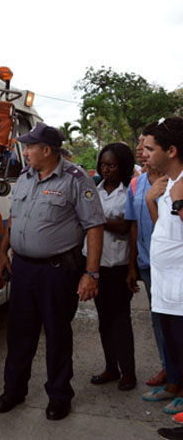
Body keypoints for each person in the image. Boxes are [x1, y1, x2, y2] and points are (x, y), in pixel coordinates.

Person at [0, 123, 105, 421]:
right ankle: (14, 390)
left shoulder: (76, 180)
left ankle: (59, 395)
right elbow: (15, 217)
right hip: (23, 269)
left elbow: (94, 226)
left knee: (56, 334)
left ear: (46, 150)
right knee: (19, 334)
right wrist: (3, 251)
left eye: (30, 147)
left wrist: (91, 274)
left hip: (57, 272)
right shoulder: (25, 177)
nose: (25, 151)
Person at [85, 142, 137, 391]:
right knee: (104, 319)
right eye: (103, 165)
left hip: (118, 265)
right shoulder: (94, 190)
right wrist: (106, 222)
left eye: (112, 165)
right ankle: (110, 367)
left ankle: (128, 371)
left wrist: (97, 221)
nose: (106, 170)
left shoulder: (129, 192)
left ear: (123, 166)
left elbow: (126, 226)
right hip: (97, 266)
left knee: (120, 320)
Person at [143, 117, 183, 423]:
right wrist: (150, 200)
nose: (144, 153)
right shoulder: (167, 183)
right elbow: (165, 231)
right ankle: (174, 385)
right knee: (170, 339)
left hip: (181, 282)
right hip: (165, 280)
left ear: (170, 150)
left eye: (150, 147)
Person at [126, 132, 173, 392]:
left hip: (173, 266)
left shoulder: (174, 182)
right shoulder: (137, 184)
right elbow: (133, 226)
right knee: (159, 319)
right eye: (141, 147)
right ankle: (169, 367)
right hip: (147, 263)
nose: (142, 152)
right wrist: (132, 265)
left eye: (147, 147)